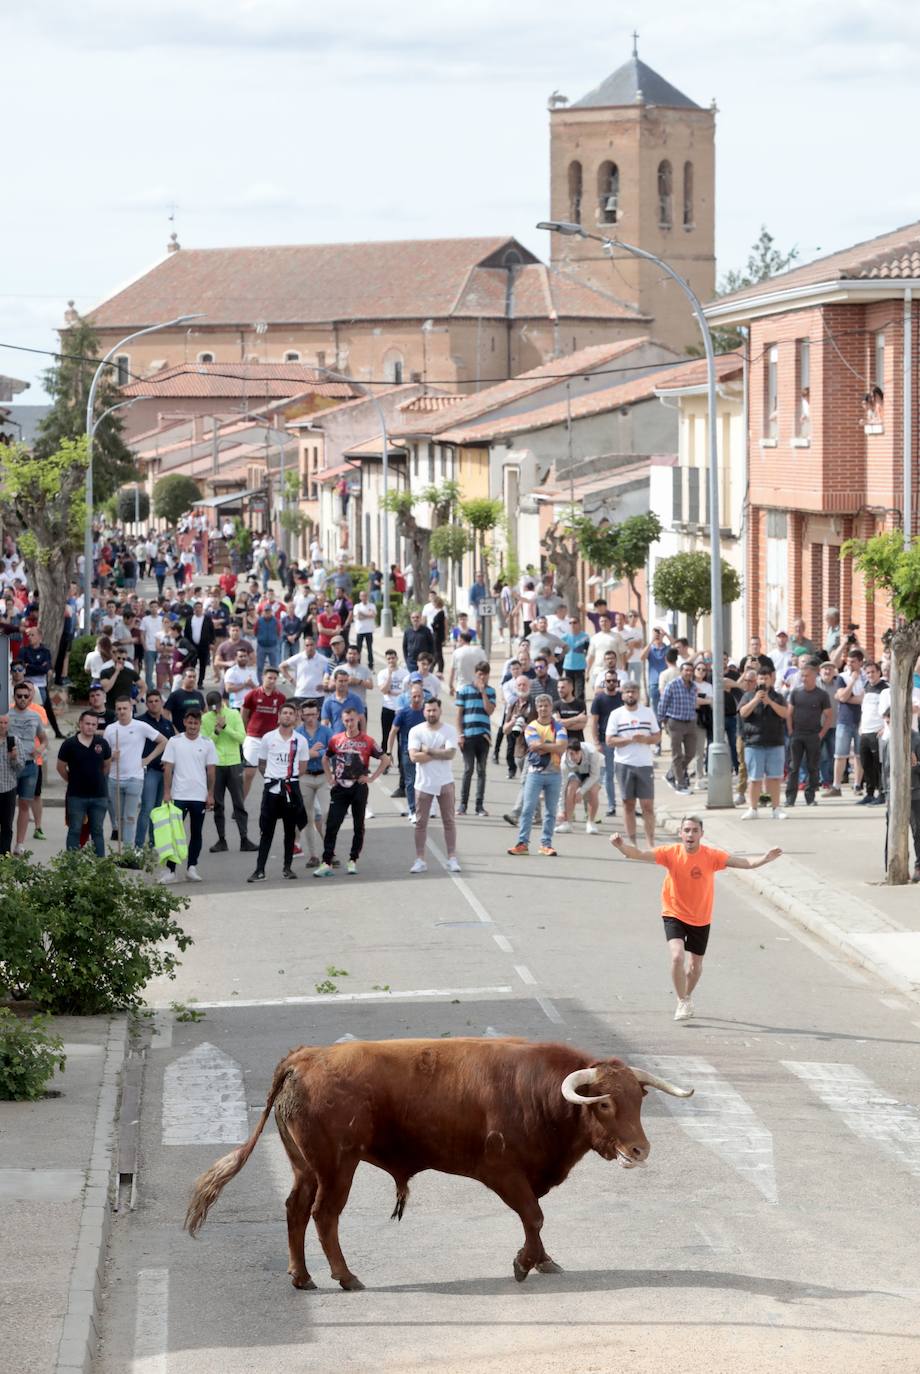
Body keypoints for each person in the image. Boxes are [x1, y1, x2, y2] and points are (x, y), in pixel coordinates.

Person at [610, 815, 782, 1020]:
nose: (690, 834)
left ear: (701, 834)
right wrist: (621, 846)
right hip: (673, 912)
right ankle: (682, 1000)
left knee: (695, 966)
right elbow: (638, 853)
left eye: (694, 830)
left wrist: (765, 859)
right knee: (677, 956)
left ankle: (687, 995)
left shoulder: (712, 856)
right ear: (681, 833)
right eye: (687, 830)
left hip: (700, 917)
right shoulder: (670, 852)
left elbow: (742, 862)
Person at [313, 708, 389, 877]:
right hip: (339, 788)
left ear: (358, 720)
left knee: (358, 825)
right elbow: (325, 758)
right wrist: (329, 776)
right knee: (332, 824)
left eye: (352, 720)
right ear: (342, 721)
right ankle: (327, 862)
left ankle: (353, 859)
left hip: (358, 788)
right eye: (346, 720)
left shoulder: (368, 741)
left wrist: (372, 778)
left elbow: (385, 759)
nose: (349, 723)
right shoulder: (336, 739)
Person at [247, 702, 310, 882]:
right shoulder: (268, 738)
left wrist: (288, 778)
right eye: (285, 713)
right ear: (279, 716)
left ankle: (287, 868)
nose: (288, 716)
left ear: (295, 717)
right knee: (266, 831)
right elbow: (262, 763)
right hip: (272, 791)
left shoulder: (300, 740)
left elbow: (303, 767)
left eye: (291, 713)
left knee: (290, 831)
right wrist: (271, 778)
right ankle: (260, 870)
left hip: (291, 789)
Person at [160, 708, 217, 883]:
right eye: (190, 722)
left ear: (200, 724)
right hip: (178, 795)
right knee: (175, 833)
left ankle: (192, 867)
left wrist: (210, 794)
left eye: (196, 723)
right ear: (184, 722)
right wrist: (167, 793)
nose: (192, 726)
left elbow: (211, 771)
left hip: (199, 796)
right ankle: (171, 871)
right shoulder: (174, 741)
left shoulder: (207, 743)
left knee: (196, 832)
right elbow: (168, 768)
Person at [507, 694, 567, 856]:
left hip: (554, 773)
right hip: (535, 773)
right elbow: (533, 745)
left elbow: (562, 747)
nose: (543, 709)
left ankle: (546, 844)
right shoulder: (531, 726)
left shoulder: (559, 726)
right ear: (537, 708)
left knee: (550, 811)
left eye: (546, 705)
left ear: (551, 707)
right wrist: (550, 745)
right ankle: (522, 843)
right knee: (527, 808)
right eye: (540, 706)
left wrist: (542, 746)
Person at [104, 696, 166, 848]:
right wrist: (112, 756)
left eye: (125, 708)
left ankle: (129, 851)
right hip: (114, 778)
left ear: (131, 709)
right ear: (116, 711)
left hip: (134, 778)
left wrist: (147, 759)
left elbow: (164, 741)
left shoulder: (141, 726)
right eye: (119, 709)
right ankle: (123, 849)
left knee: (130, 816)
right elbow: (103, 756)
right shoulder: (111, 729)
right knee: (120, 819)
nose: (122, 711)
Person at [407, 697, 461, 873]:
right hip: (423, 783)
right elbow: (414, 757)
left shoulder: (449, 730)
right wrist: (440, 752)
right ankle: (420, 859)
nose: (431, 713)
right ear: (424, 711)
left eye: (434, 710)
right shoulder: (416, 731)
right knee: (421, 823)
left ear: (440, 711)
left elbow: (451, 754)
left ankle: (452, 858)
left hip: (445, 782)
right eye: (428, 710)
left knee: (449, 821)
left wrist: (428, 750)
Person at [606, 678, 661, 847]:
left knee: (647, 805)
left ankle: (651, 843)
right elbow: (609, 740)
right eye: (627, 692)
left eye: (633, 691)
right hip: (624, 763)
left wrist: (645, 739)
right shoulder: (616, 714)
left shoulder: (647, 712)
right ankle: (633, 843)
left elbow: (657, 736)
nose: (630, 695)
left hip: (644, 764)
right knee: (628, 804)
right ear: (622, 695)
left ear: (638, 694)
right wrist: (629, 739)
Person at [201, 691, 257, 853]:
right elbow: (206, 743)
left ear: (222, 702)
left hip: (234, 763)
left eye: (217, 706)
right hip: (216, 764)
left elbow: (242, 737)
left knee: (239, 803)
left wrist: (225, 727)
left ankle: (244, 839)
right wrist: (217, 731)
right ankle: (221, 840)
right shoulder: (205, 719)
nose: (215, 711)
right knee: (218, 804)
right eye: (212, 708)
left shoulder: (233, 714)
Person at [57, 710, 112, 857]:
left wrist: (97, 778)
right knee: (75, 829)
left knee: (97, 831)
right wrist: (72, 779)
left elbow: (107, 765)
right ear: (80, 724)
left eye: (94, 724)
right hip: (76, 796)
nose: (90, 727)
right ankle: (72, 866)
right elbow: (60, 767)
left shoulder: (102, 743)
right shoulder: (69, 744)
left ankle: (101, 866)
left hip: (99, 796)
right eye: (87, 723)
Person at [738, 667, 789, 820]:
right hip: (754, 743)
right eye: (760, 678)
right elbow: (743, 713)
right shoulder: (748, 696)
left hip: (775, 742)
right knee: (754, 778)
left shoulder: (778, 697)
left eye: (766, 678)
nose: (763, 681)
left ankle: (776, 809)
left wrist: (769, 702)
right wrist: (756, 700)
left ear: (771, 679)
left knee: (774, 777)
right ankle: (753, 809)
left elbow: (784, 713)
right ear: (756, 680)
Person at [785, 660, 832, 808]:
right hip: (797, 734)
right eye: (802, 676)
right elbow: (789, 713)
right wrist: (791, 731)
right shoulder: (796, 692)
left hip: (813, 735)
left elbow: (829, 715)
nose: (804, 678)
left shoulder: (822, 695)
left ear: (814, 676)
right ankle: (790, 798)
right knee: (794, 767)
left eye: (807, 676)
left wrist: (821, 733)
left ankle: (810, 797)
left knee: (813, 767)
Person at [8, 679, 46, 854]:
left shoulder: (35, 716)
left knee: (25, 803)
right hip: (9, 766)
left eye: (26, 696)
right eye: (19, 696)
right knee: (6, 805)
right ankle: (5, 840)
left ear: (30, 697)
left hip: (30, 765)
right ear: (14, 696)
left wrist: (40, 748)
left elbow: (44, 738)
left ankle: (19, 844)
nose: (23, 699)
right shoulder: (6, 714)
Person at [135, 691, 176, 850]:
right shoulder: (140, 722)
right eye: (150, 701)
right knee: (147, 808)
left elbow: (172, 744)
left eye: (156, 701)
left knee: (158, 809)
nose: (153, 703)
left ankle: (153, 842)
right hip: (149, 771)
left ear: (161, 703)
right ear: (147, 704)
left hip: (165, 772)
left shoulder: (167, 723)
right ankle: (138, 845)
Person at [456, 661, 496, 817]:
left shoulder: (491, 691)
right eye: (480, 674)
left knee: (482, 771)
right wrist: (460, 734)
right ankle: (462, 805)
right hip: (468, 736)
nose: (482, 677)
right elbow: (459, 714)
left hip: (483, 736)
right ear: (475, 674)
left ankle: (479, 806)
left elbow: (489, 710)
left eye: (485, 674)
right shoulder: (464, 690)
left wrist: (483, 692)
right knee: (468, 769)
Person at [241, 665, 286, 798]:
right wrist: (245, 733)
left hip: (271, 740)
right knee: (249, 774)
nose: (272, 680)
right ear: (263, 677)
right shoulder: (252, 694)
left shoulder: (281, 697)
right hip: (253, 738)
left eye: (274, 678)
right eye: (269, 677)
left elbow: (282, 717)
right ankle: (240, 805)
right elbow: (244, 715)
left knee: (273, 775)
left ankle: (276, 803)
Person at [297, 700, 332, 866]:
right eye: (307, 714)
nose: (311, 718)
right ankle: (313, 855)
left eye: (313, 714)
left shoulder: (326, 731)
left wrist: (315, 753)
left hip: (323, 775)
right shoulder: (297, 733)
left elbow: (334, 749)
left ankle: (329, 851)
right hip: (305, 776)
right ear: (302, 715)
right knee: (308, 817)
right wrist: (308, 753)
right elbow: (293, 753)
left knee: (326, 813)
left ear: (318, 714)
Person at [388, 680, 427, 822]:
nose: (416, 699)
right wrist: (389, 751)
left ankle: (423, 808)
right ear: (409, 697)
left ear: (423, 697)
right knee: (410, 782)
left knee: (423, 782)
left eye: (419, 696)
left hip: (424, 753)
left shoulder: (426, 713)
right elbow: (393, 732)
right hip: (407, 751)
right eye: (414, 696)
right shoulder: (403, 713)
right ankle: (412, 810)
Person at [659, 661, 698, 795]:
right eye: (686, 670)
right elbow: (663, 703)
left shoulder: (694, 687)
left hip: (690, 722)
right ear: (681, 671)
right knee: (677, 754)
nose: (688, 673)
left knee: (691, 753)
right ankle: (680, 784)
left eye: (690, 670)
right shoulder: (672, 685)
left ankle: (671, 774)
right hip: (675, 722)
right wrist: (663, 721)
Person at [830, 648, 865, 795]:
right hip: (844, 720)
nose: (849, 664)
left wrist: (848, 697)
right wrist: (852, 682)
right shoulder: (842, 677)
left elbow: (864, 698)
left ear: (860, 662)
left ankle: (857, 785)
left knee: (858, 755)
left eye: (853, 661)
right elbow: (842, 696)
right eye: (848, 661)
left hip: (861, 721)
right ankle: (836, 786)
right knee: (840, 755)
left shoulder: (866, 677)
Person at [377, 649, 410, 797]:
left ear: (397, 658)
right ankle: (385, 763)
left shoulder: (404, 673)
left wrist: (393, 692)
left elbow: (405, 692)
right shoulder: (383, 673)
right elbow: (384, 690)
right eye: (388, 658)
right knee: (385, 737)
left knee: (400, 740)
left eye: (393, 658)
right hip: (388, 709)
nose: (391, 660)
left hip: (401, 710)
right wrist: (389, 676)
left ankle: (401, 767)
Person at [591, 668, 622, 817]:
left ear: (618, 682)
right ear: (604, 682)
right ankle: (611, 805)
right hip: (605, 741)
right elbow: (594, 722)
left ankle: (629, 803)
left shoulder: (622, 698)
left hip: (622, 741)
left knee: (623, 774)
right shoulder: (599, 699)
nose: (611, 683)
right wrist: (596, 742)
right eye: (608, 680)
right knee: (608, 775)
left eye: (614, 681)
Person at [555, 739, 602, 834]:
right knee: (570, 788)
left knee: (593, 791)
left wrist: (581, 792)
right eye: (571, 753)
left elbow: (594, 776)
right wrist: (561, 810)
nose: (574, 756)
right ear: (567, 752)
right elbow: (562, 785)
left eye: (577, 753)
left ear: (581, 751)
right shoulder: (564, 761)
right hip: (577, 771)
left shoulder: (592, 752)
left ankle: (591, 822)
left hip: (593, 771)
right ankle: (567, 823)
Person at [857, 661, 888, 805]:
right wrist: (860, 726)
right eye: (867, 672)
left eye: (873, 672)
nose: (870, 675)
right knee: (866, 764)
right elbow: (864, 710)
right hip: (865, 731)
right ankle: (869, 793)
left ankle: (882, 793)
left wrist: (884, 728)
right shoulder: (867, 686)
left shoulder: (885, 688)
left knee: (878, 765)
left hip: (878, 732)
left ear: (879, 672)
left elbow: (889, 711)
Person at [0, 715, 23, 854]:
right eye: (0, 722)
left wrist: (14, 759)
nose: (3, 726)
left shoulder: (14, 741)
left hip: (8, 788)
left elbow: (20, 767)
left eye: (5, 723)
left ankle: (5, 857)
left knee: (7, 826)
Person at [281, 635, 327, 701]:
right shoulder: (299, 657)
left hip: (318, 695)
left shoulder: (323, 659)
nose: (309, 647)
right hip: (301, 694)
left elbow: (331, 673)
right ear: (304, 646)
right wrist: (291, 680)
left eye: (311, 645)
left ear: (315, 645)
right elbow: (282, 666)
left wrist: (324, 684)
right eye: (307, 645)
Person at [164, 665, 206, 732]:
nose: (192, 679)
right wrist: (174, 730)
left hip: (196, 734)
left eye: (194, 677)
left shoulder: (199, 695)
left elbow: (205, 713)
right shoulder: (175, 695)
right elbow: (165, 714)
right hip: (180, 733)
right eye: (189, 677)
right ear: (183, 678)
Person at [183, 599, 215, 687]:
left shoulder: (207, 619)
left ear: (202, 609)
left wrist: (211, 642)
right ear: (194, 609)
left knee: (203, 664)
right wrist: (186, 644)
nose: (198, 609)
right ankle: (190, 681)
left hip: (204, 645)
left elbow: (212, 631)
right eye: (196, 608)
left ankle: (200, 682)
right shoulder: (189, 619)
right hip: (192, 646)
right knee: (192, 664)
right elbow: (186, 632)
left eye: (199, 608)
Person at [448, 630, 480, 696]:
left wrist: (451, 686)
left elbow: (452, 672)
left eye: (458, 640)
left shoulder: (456, 652)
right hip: (477, 688)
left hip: (461, 688)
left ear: (461, 640)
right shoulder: (479, 651)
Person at [353, 590, 377, 667]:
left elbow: (373, 615)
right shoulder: (357, 606)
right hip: (360, 630)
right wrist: (368, 615)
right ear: (360, 597)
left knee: (369, 649)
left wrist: (362, 614)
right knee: (358, 649)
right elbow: (358, 617)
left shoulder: (372, 605)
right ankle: (358, 663)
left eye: (365, 596)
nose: (364, 597)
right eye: (362, 596)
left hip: (369, 630)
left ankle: (370, 664)